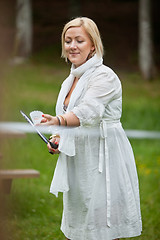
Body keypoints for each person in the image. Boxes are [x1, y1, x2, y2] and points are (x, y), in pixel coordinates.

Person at [40, 17, 142, 240]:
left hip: (103, 156)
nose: (72, 46)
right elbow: (68, 117)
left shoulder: (104, 76)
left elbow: (88, 111)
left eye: (79, 40)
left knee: (102, 225)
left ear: (93, 45)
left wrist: (57, 120)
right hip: (79, 158)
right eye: (68, 41)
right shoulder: (71, 79)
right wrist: (57, 139)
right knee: (78, 224)